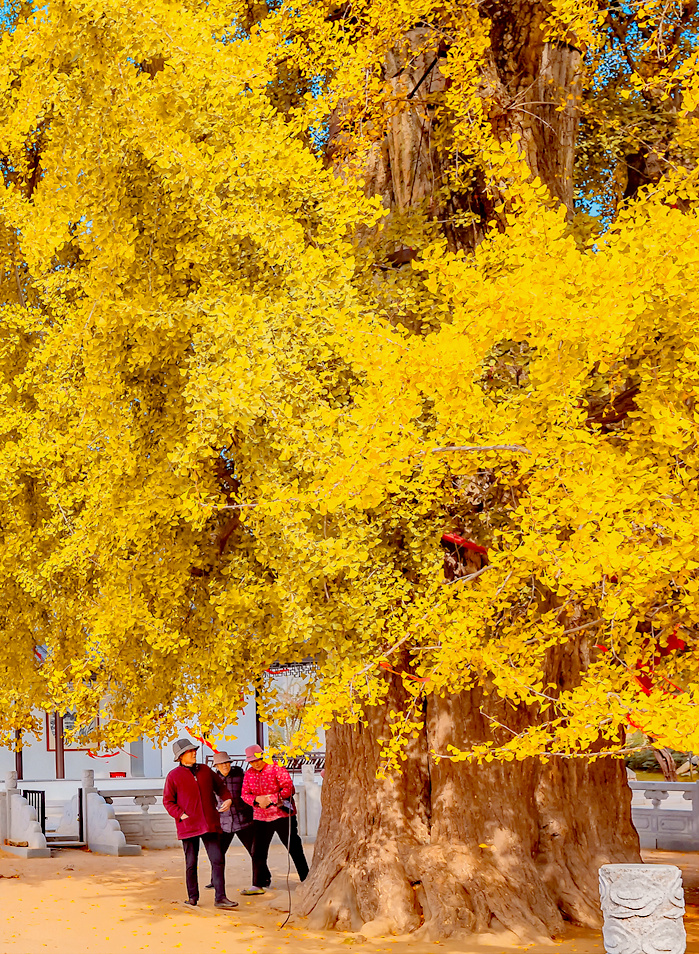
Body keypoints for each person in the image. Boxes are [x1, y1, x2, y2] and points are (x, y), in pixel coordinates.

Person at [163, 738, 238, 909]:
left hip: (209, 824)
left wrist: (227, 799)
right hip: (188, 825)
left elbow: (221, 787)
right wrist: (180, 814)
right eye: (190, 751)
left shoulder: (205, 770)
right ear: (181, 756)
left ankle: (220, 897)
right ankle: (192, 897)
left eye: (194, 750)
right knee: (191, 863)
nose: (194, 752)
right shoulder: (173, 776)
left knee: (218, 860)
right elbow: (168, 801)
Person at [240, 743, 309, 895]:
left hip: (282, 815)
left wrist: (270, 798)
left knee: (294, 848)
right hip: (261, 817)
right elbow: (244, 794)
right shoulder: (249, 774)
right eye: (252, 761)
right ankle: (258, 884)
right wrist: (257, 799)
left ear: (263, 756)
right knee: (258, 851)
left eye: (257, 759)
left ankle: (307, 880)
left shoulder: (276, 767)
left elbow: (289, 788)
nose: (255, 763)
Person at [205, 750, 271, 890]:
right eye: (221, 764)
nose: (225, 766)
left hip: (244, 820)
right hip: (223, 823)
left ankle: (263, 878)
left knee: (255, 852)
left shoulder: (240, 775)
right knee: (218, 854)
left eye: (226, 763)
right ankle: (214, 880)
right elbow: (208, 799)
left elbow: (250, 791)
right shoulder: (212, 780)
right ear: (216, 766)